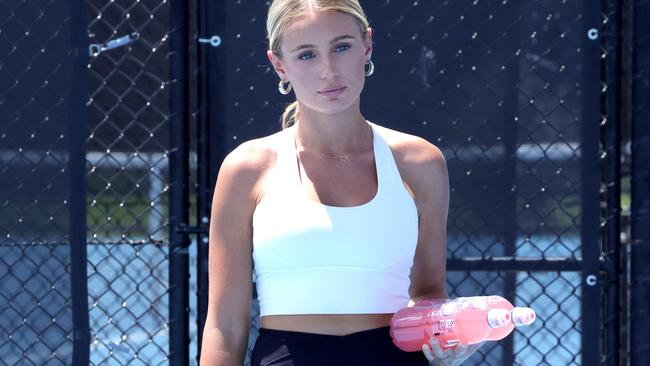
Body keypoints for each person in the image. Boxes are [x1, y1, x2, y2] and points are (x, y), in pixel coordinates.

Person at [199, 1, 483, 365]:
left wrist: (445, 331)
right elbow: (224, 326)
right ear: (278, 64)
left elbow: (428, 291)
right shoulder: (246, 169)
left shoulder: (420, 163)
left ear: (367, 45)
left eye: (342, 47)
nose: (328, 71)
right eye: (306, 55)